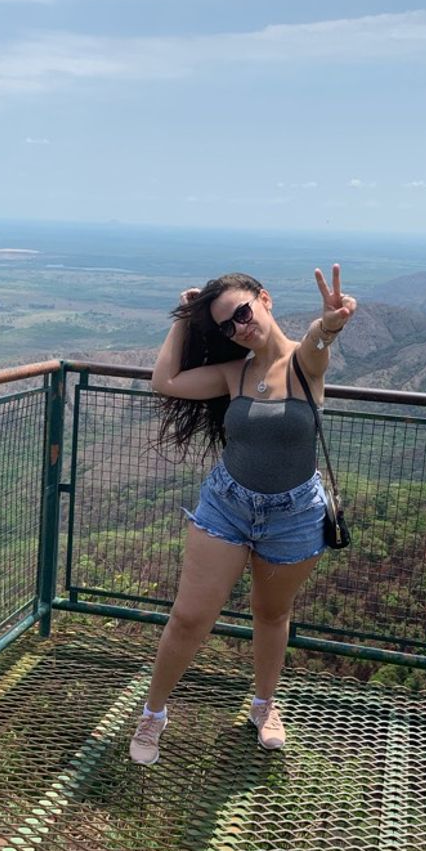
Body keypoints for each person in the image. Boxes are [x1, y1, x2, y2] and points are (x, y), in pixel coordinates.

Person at [129, 265, 357, 765]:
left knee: (272, 614)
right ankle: (154, 714)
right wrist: (187, 318)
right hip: (227, 505)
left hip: (294, 515)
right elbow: (164, 381)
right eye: (227, 325)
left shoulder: (303, 363)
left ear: (265, 300)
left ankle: (264, 705)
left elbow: (319, 342)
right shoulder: (235, 373)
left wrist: (331, 324)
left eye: (243, 312)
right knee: (190, 618)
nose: (238, 327)